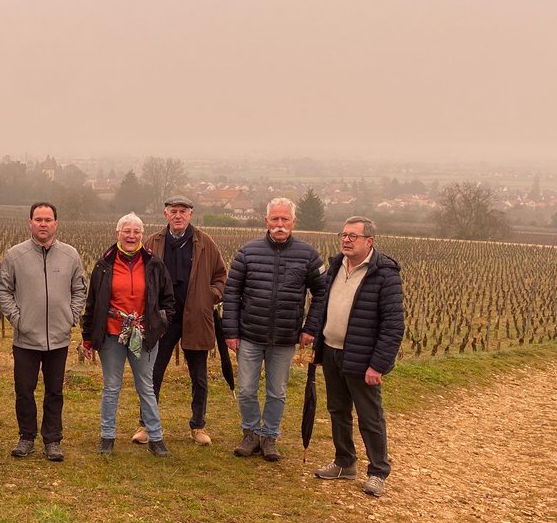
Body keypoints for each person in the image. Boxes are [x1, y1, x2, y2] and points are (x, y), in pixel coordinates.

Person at [222, 198, 326, 462]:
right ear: (266, 220)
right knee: (246, 389)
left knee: (276, 391)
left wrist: (310, 328)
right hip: (250, 335)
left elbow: (321, 293)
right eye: (275, 219)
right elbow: (232, 293)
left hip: (284, 337)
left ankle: (269, 437)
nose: (280, 224)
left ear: (293, 222)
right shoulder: (248, 252)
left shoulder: (308, 255)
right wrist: (230, 332)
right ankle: (251, 433)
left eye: (285, 219)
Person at [311, 216, 404, 497]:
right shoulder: (335, 267)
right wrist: (318, 346)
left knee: (369, 416)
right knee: (337, 411)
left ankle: (378, 472)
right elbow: (323, 308)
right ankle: (344, 462)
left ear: (369, 241)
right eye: (344, 235)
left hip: (362, 358)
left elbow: (393, 324)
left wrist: (378, 364)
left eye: (353, 236)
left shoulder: (385, 274)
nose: (346, 240)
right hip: (331, 351)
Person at [0, 202, 87, 462]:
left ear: (56, 223)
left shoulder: (70, 255)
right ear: (30, 223)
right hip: (26, 338)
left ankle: (52, 439)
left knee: (55, 391)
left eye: (48, 219)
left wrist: (71, 315)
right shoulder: (15, 255)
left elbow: (79, 289)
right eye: (38, 219)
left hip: (58, 338)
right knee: (24, 389)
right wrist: (17, 318)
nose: (43, 224)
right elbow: (3, 289)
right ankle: (26, 437)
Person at [81, 213, 176, 457]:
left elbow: (168, 300)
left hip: (144, 335)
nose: (131, 236)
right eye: (127, 231)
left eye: (136, 232)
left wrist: (160, 325)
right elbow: (92, 303)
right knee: (111, 387)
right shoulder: (104, 265)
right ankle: (107, 437)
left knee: (146, 385)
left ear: (142, 236)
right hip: (112, 334)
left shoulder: (154, 264)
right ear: (118, 234)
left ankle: (156, 437)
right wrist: (87, 336)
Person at [143, 196, 227, 446]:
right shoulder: (153, 242)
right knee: (153, 372)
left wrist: (208, 296)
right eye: (173, 211)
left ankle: (198, 426)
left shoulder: (205, 243)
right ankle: (147, 425)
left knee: (199, 376)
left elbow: (221, 276)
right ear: (165, 214)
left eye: (183, 211)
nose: (178, 215)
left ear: (191, 214)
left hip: (196, 317)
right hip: (162, 319)